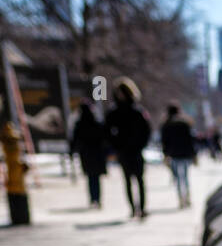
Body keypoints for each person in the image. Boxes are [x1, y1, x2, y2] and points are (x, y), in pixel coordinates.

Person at [104, 79, 151, 218]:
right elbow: (107, 131)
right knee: (128, 180)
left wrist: (140, 145)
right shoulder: (113, 112)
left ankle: (141, 208)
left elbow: (146, 130)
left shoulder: (138, 111)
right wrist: (116, 145)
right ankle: (132, 208)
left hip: (136, 150)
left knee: (140, 180)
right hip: (123, 151)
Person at [70, 100, 106, 208]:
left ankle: (93, 199)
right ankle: (97, 199)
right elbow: (103, 138)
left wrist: (72, 151)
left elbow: (75, 140)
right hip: (97, 154)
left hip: (86, 154)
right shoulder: (96, 122)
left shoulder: (79, 124)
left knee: (90, 178)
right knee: (96, 178)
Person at [160, 103, 197, 207]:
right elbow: (191, 140)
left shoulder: (166, 125)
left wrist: (165, 155)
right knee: (185, 177)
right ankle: (187, 197)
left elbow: (164, 142)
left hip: (174, 154)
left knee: (177, 178)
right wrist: (194, 154)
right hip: (185, 153)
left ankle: (181, 198)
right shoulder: (185, 123)